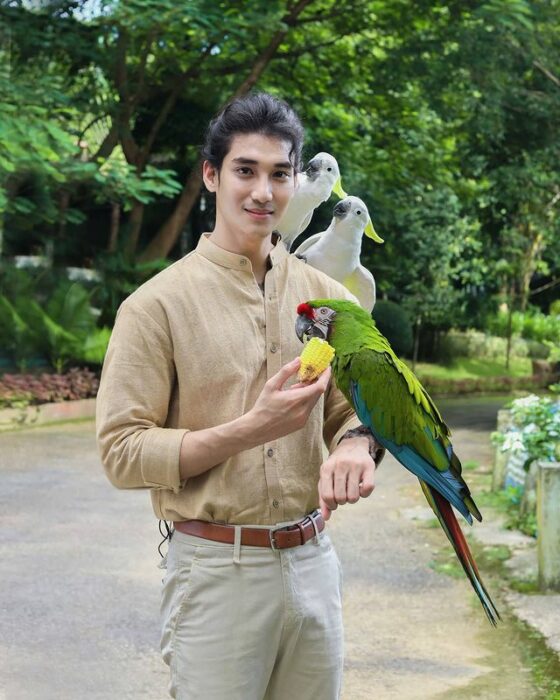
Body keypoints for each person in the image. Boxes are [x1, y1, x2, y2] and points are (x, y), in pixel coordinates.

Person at [96, 92, 383, 700]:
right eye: (244, 170)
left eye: (280, 173)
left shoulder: (331, 296)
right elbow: (122, 452)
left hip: (313, 562)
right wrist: (249, 429)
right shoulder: (155, 307)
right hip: (215, 572)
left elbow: (360, 408)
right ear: (211, 174)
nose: (263, 192)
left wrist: (357, 444)